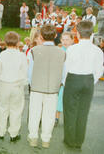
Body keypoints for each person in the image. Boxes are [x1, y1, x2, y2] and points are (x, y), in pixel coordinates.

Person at [63, 21, 104, 150]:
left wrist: (65, 82)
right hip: (88, 80)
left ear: (78, 34)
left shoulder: (72, 49)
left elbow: (66, 68)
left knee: (70, 111)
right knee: (83, 112)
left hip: (73, 79)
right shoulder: (97, 50)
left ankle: (70, 140)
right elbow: (99, 70)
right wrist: (92, 81)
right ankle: (78, 141)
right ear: (91, 33)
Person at [27, 24, 66, 148]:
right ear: (55, 35)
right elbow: (64, 73)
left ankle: (33, 137)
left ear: (42, 37)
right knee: (49, 115)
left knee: (34, 113)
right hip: (53, 89)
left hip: (36, 87)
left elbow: (30, 72)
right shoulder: (62, 52)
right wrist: (59, 84)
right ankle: (46, 139)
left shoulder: (33, 51)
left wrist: (32, 84)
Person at [0, 31, 28, 142]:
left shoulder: (2, 55)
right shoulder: (21, 56)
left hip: (4, 85)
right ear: (18, 42)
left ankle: (1, 131)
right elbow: (25, 72)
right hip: (17, 85)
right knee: (16, 110)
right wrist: (23, 84)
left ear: (6, 42)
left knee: (2, 109)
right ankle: (14, 133)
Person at [55, 32, 74, 127]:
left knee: (70, 102)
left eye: (67, 39)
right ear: (61, 40)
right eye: (63, 40)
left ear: (72, 40)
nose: (65, 42)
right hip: (60, 80)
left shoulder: (75, 51)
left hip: (71, 80)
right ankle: (56, 118)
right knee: (58, 100)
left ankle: (69, 120)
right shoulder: (59, 51)